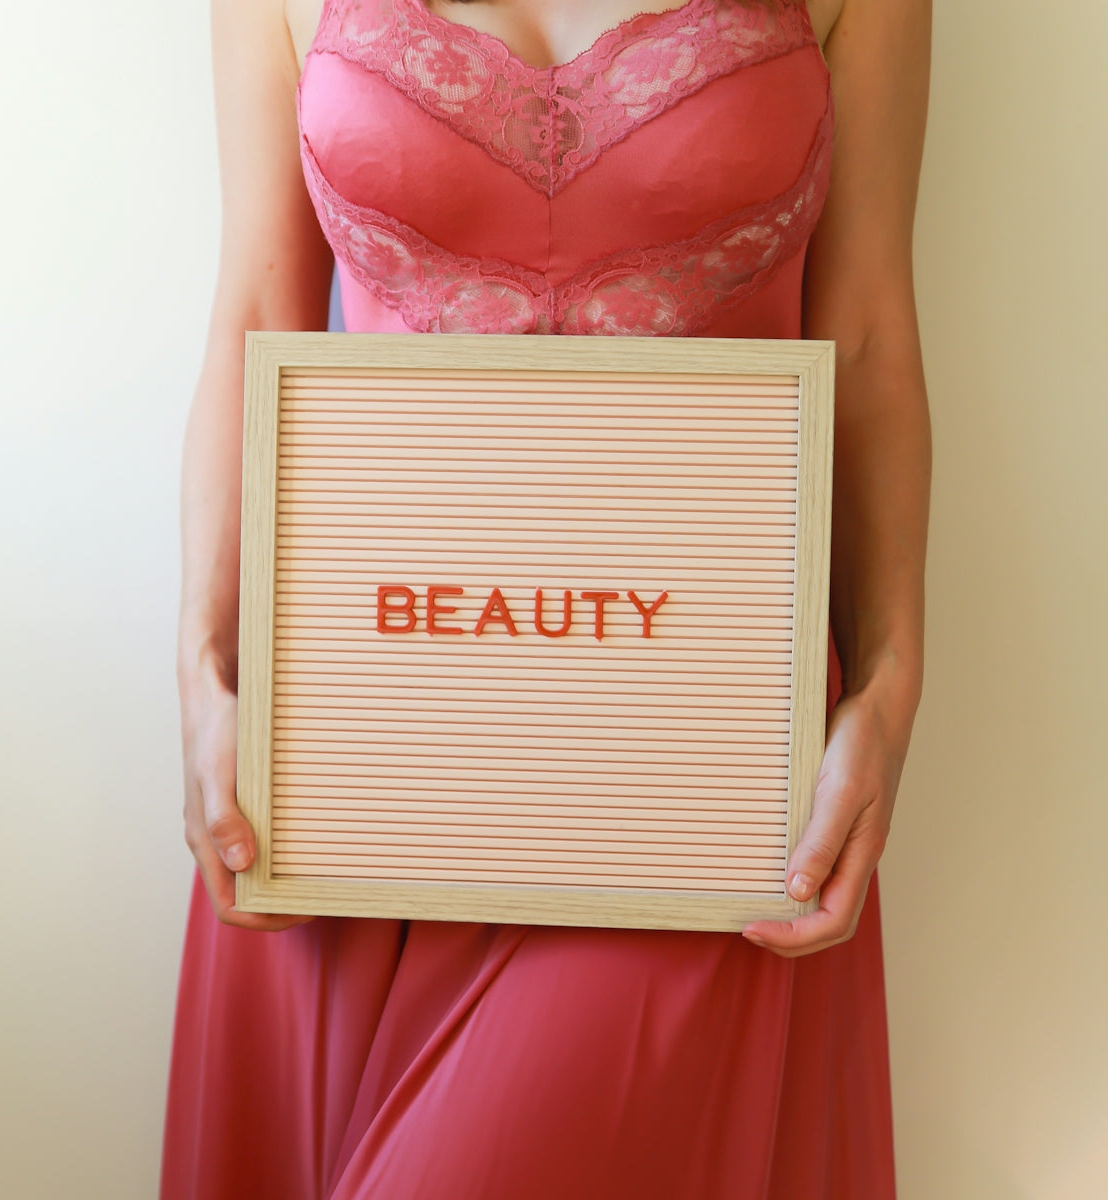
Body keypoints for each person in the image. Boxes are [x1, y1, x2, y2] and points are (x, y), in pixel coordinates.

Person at [163, 0, 931, 1196]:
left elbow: (871, 333)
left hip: (694, 770)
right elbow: (257, 307)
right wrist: (203, 673)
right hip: (351, 748)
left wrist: (891, 682)